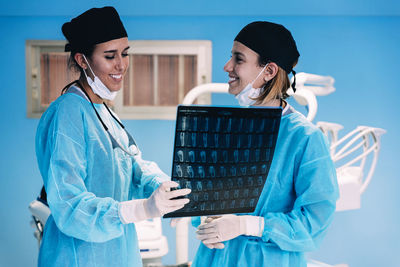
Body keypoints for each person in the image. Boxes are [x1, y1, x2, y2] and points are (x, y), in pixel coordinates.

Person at [35, 6, 190, 267]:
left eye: (125, 53)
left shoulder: (105, 112)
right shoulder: (67, 113)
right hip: (78, 257)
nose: (121, 64)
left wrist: (171, 192)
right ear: (83, 60)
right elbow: (70, 205)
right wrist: (141, 209)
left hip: (118, 253)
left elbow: (134, 170)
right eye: (110, 56)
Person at [192, 21, 339, 267]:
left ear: (269, 71)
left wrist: (248, 225)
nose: (227, 66)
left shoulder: (305, 139)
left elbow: (315, 221)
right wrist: (204, 218)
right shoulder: (228, 131)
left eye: (238, 59)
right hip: (215, 259)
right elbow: (208, 198)